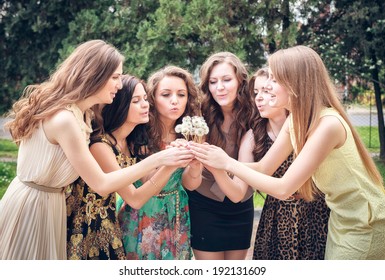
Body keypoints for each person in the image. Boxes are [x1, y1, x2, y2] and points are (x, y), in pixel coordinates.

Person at [0, 40, 193, 260]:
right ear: (94, 75)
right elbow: (101, 184)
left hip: (52, 205)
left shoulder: (85, 114)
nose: (119, 85)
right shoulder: (64, 119)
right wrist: (161, 159)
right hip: (32, 207)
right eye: (114, 77)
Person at [190, 45, 385, 260]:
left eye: (274, 80)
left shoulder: (328, 124)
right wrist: (212, 158)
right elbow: (264, 168)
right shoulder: (297, 119)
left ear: (295, 83)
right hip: (342, 218)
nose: (267, 87)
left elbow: (283, 189)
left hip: (365, 221)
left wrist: (227, 163)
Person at [66, 74, 183, 259]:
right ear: (119, 106)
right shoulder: (100, 146)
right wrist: (165, 161)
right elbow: (135, 199)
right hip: (87, 228)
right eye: (136, 101)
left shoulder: (130, 143)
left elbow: (148, 182)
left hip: (110, 225)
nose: (146, 104)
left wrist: (176, 159)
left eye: (145, 98)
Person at [117, 65, 202, 260]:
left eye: (181, 95)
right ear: (153, 98)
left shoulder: (190, 131)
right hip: (143, 209)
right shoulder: (140, 131)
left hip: (176, 209)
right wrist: (169, 158)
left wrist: (195, 167)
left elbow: (190, 184)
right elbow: (145, 180)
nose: (175, 101)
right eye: (166, 94)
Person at [248, 67, 330, 260]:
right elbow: (262, 169)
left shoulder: (310, 124)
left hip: (315, 213)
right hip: (277, 215)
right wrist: (218, 163)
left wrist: (224, 163)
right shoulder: (257, 135)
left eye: (267, 91)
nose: (259, 97)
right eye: (256, 92)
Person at [185, 52, 255, 260]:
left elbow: (239, 193)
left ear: (240, 80)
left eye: (226, 80)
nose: (220, 87)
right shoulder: (199, 115)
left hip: (241, 205)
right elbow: (190, 178)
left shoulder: (254, 116)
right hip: (204, 204)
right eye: (213, 82)